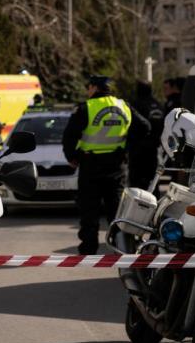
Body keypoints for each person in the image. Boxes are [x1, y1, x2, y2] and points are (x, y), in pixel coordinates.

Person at [62, 74, 150, 255]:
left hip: (91, 166)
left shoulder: (86, 107)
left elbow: (69, 135)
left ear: (94, 88)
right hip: (117, 165)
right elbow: (145, 127)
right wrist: (127, 147)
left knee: (89, 211)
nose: (88, 90)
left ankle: (88, 250)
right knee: (116, 211)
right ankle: (120, 248)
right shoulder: (123, 106)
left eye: (89, 87)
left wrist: (72, 156)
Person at [127, 81, 165, 190]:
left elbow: (132, 125)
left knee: (136, 183)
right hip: (154, 150)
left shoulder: (136, 105)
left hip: (138, 150)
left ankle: (137, 206)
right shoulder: (158, 105)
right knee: (153, 182)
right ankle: (154, 203)